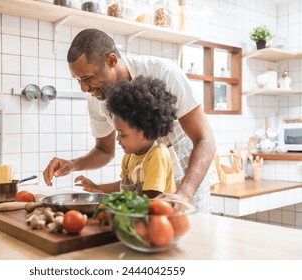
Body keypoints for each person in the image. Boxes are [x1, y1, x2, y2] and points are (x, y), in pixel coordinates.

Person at [42, 28, 216, 213]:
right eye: (78, 80)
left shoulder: (164, 73)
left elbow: (205, 140)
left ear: (111, 60)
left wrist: (184, 193)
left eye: (88, 78)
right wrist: (73, 164)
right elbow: (104, 151)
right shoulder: (96, 97)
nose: (84, 88)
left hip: (189, 187)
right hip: (147, 200)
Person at [74, 75, 177, 198]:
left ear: (143, 133)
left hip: (161, 214)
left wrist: (115, 203)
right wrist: (98, 188)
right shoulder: (129, 156)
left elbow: (151, 195)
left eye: (122, 134)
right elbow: (124, 186)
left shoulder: (157, 155)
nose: (117, 139)